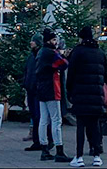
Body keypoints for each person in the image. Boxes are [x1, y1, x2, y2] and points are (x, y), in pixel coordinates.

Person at [67, 25, 107, 167]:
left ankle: (79, 157)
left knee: (81, 125)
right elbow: (105, 76)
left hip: (80, 94)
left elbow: (71, 74)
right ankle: (96, 156)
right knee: (95, 125)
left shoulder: (77, 52)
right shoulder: (100, 53)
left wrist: (70, 91)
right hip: (96, 94)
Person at [37, 28, 71, 162]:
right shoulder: (51, 53)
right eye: (54, 40)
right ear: (49, 40)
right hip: (52, 88)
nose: (56, 42)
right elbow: (63, 64)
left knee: (43, 120)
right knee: (56, 120)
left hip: (41, 89)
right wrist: (63, 55)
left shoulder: (41, 52)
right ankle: (59, 149)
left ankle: (44, 148)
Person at [24, 34, 45, 151]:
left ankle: (43, 140)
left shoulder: (41, 55)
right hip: (31, 89)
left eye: (33, 41)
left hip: (38, 90)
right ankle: (37, 141)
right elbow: (27, 70)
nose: (31, 43)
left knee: (39, 116)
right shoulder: (32, 56)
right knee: (35, 115)